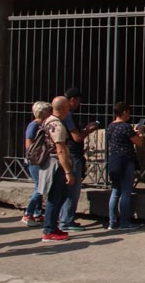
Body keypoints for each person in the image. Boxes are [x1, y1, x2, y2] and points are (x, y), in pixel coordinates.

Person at [59, 87, 99, 232]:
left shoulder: (60, 115)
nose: (78, 105)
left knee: (67, 189)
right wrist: (89, 129)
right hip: (73, 154)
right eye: (78, 101)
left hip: (68, 153)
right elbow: (76, 137)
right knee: (72, 190)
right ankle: (66, 221)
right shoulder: (68, 116)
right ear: (72, 100)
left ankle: (64, 218)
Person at [40, 96, 76, 242]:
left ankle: (52, 227)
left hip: (49, 161)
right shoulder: (58, 126)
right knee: (55, 197)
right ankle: (49, 230)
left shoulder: (46, 121)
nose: (69, 110)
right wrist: (68, 171)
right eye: (67, 107)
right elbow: (60, 149)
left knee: (56, 196)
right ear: (62, 109)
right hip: (56, 164)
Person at [106, 102, 143, 231]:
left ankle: (112, 222)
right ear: (124, 112)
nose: (129, 114)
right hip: (126, 160)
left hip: (114, 160)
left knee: (115, 191)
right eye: (128, 112)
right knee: (126, 191)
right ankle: (124, 222)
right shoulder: (125, 127)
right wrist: (139, 134)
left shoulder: (110, 126)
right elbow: (138, 143)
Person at [20, 101, 50, 226]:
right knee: (40, 187)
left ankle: (37, 214)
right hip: (35, 161)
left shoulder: (41, 125)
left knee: (40, 186)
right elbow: (29, 145)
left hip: (38, 160)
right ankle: (28, 213)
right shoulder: (34, 125)